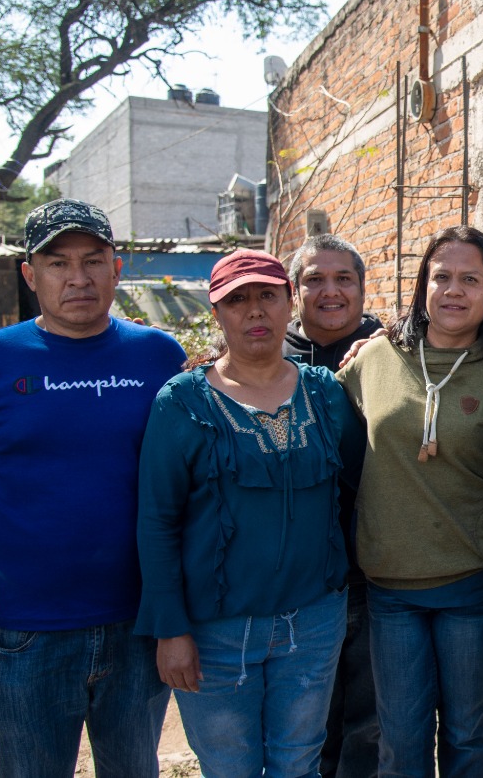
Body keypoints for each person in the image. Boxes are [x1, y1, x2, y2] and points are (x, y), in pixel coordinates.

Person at [0, 199, 185, 776]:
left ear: (116, 268)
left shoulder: (159, 357)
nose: (78, 278)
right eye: (57, 263)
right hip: (27, 634)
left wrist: (180, 616)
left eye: (93, 260)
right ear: (30, 274)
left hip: (139, 630)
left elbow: (189, 486)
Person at [136, 249, 363, 777]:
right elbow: (157, 521)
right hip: (214, 632)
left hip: (312, 623)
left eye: (266, 295)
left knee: (298, 764)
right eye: (236, 300)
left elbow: (361, 484)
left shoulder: (323, 392)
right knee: (230, 768)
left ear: (289, 304)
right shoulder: (182, 402)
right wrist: (170, 630)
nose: (254, 311)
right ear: (216, 315)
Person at [337, 225, 483, 777]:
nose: (453, 291)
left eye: (470, 279)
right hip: (391, 587)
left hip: (471, 583)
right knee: (401, 737)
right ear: (422, 287)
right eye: (441, 277)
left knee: (466, 733)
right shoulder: (378, 358)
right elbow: (320, 416)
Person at [285, 234, 383, 778]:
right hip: (299, 584)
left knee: (371, 727)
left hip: (376, 574)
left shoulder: (396, 351)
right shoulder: (269, 357)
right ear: (294, 291)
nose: (330, 291)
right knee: (306, 729)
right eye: (314, 280)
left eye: (343, 278)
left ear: (362, 289)